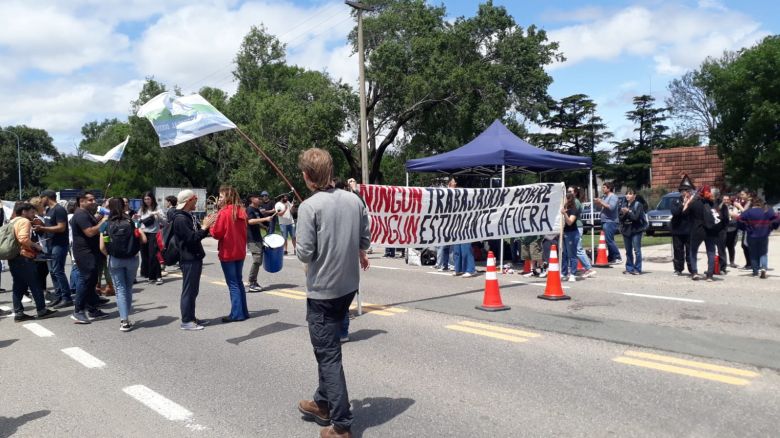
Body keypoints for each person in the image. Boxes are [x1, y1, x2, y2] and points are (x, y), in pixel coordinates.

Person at [295, 148, 370, 438]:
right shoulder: (354, 200)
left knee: (328, 355)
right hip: (348, 287)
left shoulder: (309, 207)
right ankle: (322, 402)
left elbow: (304, 252)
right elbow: (364, 237)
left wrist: (301, 231)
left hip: (323, 292)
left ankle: (341, 425)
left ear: (307, 176)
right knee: (328, 349)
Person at [171, 189, 216, 330]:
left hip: (193, 257)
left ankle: (191, 317)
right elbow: (191, 239)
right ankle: (186, 321)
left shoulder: (186, 216)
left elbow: (196, 235)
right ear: (189, 201)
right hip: (188, 258)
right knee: (189, 291)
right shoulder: (180, 218)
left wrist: (205, 228)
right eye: (195, 199)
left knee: (193, 290)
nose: (197, 202)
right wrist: (204, 227)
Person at [100, 198, 146, 331]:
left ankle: (124, 320)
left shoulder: (105, 224)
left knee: (120, 289)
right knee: (128, 287)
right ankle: (126, 312)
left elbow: (102, 247)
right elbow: (143, 239)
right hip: (132, 259)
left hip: (115, 260)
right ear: (124, 206)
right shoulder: (133, 221)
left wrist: (110, 255)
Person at [7, 202, 57, 322]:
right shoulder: (24, 221)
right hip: (24, 257)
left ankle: (19, 313)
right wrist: (36, 246)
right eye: (31, 212)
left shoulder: (12, 221)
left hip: (13, 257)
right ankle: (42, 310)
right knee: (35, 284)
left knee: (18, 285)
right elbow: (23, 238)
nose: (33, 214)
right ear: (24, 212)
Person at [210, 186, 250, 323]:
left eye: (221, 197)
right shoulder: (241, 211)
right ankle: (243, 311)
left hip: (228, 252)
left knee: (233, 284)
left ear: (227, 198)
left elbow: (216, 233)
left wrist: (210, 225)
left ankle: (237, 314)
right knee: (238, 282)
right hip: (240, 251)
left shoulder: (224, 212)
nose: (219, 199)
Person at [69, 191, 110, 323]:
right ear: (81, 201)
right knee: (85, 279)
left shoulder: (86, 214)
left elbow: (94, 224)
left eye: (94, 199)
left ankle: (91, 308)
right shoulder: (80, 214)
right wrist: (103, 221)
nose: (94, 202)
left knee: (92, 280)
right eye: (90, 200)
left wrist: (102, 217)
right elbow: (90, 232)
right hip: (84, 252)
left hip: (91, 251)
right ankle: (78, 311)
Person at [36, 190, 72, 308]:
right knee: (52, 271)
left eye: (41, 198)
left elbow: (61, 228)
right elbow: (48, 226)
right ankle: (58, 296)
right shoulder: (48, 210)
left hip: (59, 244)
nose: (40, 201)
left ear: (46, 197)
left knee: (58, 270)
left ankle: (66, 297)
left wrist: (43, 228)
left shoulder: (59, 210)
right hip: (50, 244)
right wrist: (39, 227)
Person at [737, 197, 780, 278]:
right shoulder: (766, 211)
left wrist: (745, 227)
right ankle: (763, 268)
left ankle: (755, 272)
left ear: (753, 203)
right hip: (764, 235)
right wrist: (771, 227)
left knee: (753, 254)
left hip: (751, 235)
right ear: (761, 204)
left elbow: (739, 219)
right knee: (763, 253)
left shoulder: (748, 212)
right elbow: (777, 218)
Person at [684, 185, 718, 281]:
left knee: (693, 251)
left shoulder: (695, 203)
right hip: (710, 230)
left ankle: (694, 272)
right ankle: (710, 275)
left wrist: (688, 201)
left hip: (697, 230)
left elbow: (684, 214)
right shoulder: (712, 203)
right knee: (711, 252)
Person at [246, 193, 273, 292]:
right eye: (258, 198)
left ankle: (253, 281)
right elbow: (250, 221)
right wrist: (265, 219)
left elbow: (258, 222)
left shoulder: (257, 210)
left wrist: (264, 226)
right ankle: (251, 283)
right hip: (252, 239)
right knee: (257, 260)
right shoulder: (249, 209)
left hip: (258, 238)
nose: (260, 199)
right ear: (252, 199)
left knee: (259, 261)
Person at [567, 186, 596, 278]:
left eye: (570, 191)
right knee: (572, 249)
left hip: (577, 226)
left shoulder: (575, 202)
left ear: (575, 193)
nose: (568, 193)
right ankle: (571, 268)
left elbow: (573, 213)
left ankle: (588, 268)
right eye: (568, 191)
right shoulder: (572, 201)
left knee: (578, 248)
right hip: (572, 227)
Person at [138, 191, 164, 285]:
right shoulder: (142, 209)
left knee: (154, 255)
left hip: (153, 234)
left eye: (148, 199)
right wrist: (137, 218)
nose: (146, 201)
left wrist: (158, 215)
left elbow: (164, 221)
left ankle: (158, 276)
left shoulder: (157, 208)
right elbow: (138, 222)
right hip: (143, 233)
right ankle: (150, 276)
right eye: (145, 199)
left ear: (152, 199)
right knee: (145, 256)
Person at [619, 189, 645, 275]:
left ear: (634, 196)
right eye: (626, 194)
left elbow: (636, 218)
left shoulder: (638, 205)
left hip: (636, 230)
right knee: (628, 251)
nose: (627, 196)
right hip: (626, 230)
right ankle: (629, 268)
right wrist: (624, 213)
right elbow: (621, 218)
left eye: (630, 194)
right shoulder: (624, 204)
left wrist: (628, 212)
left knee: (637, 250)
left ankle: (637, 269)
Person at [594, 182, 622, 264]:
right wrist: (598, 203)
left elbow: (611, 207)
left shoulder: (613, 197)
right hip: (604, 221)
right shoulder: (604, 197)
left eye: (604, 187)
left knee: (609, 240)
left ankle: (617, 257)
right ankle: (611, 257)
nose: (603, 189)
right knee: (608, 240)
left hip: (610, 221)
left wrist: (601, 201)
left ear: (609, 188)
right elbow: (599, 209)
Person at [671, 181, 694, 275]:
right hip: (677, 230)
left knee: (690, 251)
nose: (685, 193)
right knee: (678, 250)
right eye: (683, 191)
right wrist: (682, 204)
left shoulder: (693, 202)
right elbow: (675, 213)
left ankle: (692, 269)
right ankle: (678, 269)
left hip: (689, 230)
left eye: (687, 191)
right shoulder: (676, 201)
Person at [560, 193, 580, 282]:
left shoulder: (573, 210)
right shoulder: (563, 208)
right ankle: (564, 273)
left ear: (568, 199)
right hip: (564, 233)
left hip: (572, 233)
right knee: (564, 254)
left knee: (572, 254)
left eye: (564, 198)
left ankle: (573, 273)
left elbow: (570, 222)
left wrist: (564, 214)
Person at [723, 194, 739, 268]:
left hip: (732, 229)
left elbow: (735, 215)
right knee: (722, 246)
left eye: (727, 199)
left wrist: (726, 211)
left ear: (729, 200)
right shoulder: (719, 207)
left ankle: (732, 262)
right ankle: (723, 262)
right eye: (724, 199)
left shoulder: (733, 207)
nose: (726, 201)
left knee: (731, 246)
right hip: (723, 229)